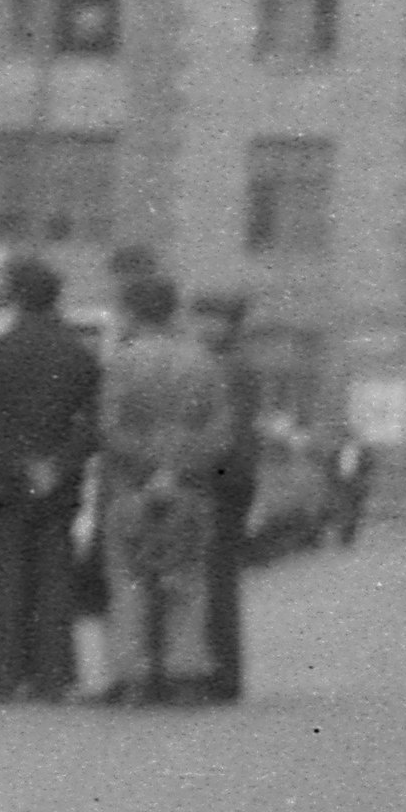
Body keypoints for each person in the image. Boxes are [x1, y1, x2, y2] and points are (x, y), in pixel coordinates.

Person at [0, 254, 99, 699]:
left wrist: (16, 464)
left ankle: (0, 672)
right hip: (58, 479)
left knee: (2, 574)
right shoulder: (79, 355)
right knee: (53, 576)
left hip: (4, 481)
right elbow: (91, 423)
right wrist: (57, 465)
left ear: (14, 297)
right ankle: (53, 673)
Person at [94, 273, 238, 703]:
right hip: (189, 487)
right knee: (186, 580)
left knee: (128, 580)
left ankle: (131, 675)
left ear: (132, 312)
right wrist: (177, 468)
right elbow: (221, 432)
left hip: (131, 486)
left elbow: (109, 426)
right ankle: (185, 672)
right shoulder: (204, 361)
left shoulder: (122, 361)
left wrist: (147, 466)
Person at [187, 292, 264, 701]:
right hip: (233, 476)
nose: (201, 328)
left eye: (209, 319)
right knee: (217, 576)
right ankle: (218, 670)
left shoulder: (227, 366)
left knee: (215, 576)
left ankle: (219, 673)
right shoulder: (234, 363)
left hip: (224, 478)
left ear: (229, 324)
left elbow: (223, 431)